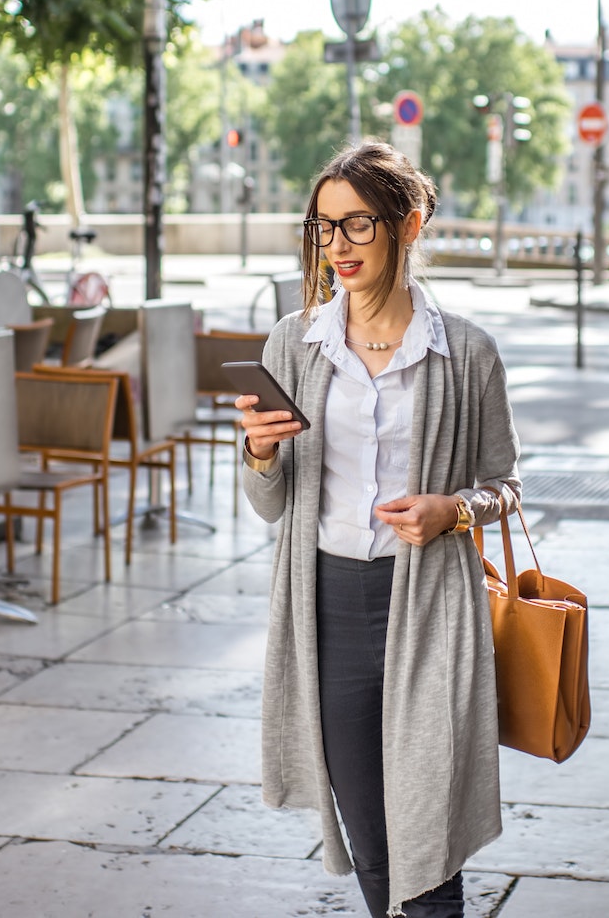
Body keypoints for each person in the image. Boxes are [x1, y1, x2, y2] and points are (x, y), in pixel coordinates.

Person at [236, 141, 521, 918]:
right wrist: (261, 450)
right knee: (373, 838)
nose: (338, 248)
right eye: (325, 229)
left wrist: (451, 510)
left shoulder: (465, 351)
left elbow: (506, 485)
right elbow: (270, 505)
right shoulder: (295, 344)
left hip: (429, 607)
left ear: (410, 223)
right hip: (326, 607)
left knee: (428, 833)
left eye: (358, 225)